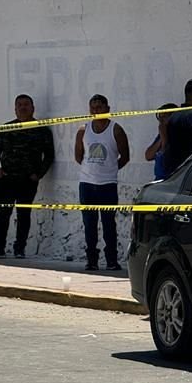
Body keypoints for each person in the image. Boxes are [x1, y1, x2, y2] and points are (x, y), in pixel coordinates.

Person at [0, 94, 55, 259]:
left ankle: (20, 248)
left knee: (24, 215)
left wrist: (38, 175)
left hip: (27, 181)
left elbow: (49, 155)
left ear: (33, 108)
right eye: (19, 105)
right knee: (3, 215)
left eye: (26, 105)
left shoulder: (41, 130)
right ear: (15, 109)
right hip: (7, 179)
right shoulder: (7, 128)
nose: (23, 108)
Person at [74, 94, 130, 271]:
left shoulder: (116, 130)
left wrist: (110, 169)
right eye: (93, 107)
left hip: (107, 184)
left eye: (100, 107)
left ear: (108, 109)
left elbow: (125, 156)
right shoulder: (83, 130)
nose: (96, 110)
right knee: (89, 224)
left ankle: (111, 260)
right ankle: (92, 259)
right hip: (87, 184)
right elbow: (78, 156)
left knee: (108, 223)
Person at [144, 103, 177, 181]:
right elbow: (148, 156)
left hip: (171, 179)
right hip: (159, 179)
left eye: (165, 117)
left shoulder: (177, 135)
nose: (161, 120)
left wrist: (164, 139)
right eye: (160, 117)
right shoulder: (161, 134)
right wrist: (161, 138)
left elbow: (166, 154)